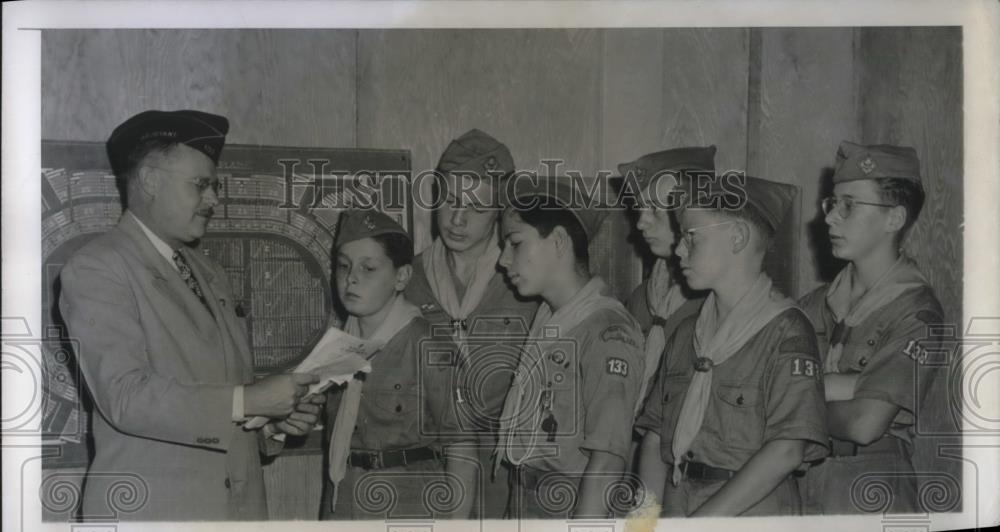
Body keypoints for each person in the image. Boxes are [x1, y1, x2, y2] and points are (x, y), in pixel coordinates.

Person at [59, 110, 324, 521]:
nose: (214, 200)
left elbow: (217, 394)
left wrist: (269, 421)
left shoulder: (207, 271)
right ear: (149, 180)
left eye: (213, 187)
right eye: (201, 185)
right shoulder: (97, 267)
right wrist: (248, 399)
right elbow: (127, 397)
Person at [634, 174, 829, 517]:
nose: (679, 249)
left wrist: (700, 524)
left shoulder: (786, 332)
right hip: (678, 503)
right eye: (681, 237)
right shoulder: (687, 335)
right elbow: (653, 436)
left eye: (691, 237)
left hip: (751, 511)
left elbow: (786, 450)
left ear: (737, 237)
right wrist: (646, 520)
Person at [797, 142, 944, 514]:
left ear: (893, 219)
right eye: (832, 204)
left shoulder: (916, 312)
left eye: (849, 205)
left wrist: (803, 392)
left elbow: (865, 424)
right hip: (800, 488)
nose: (829, 217)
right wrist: (840, 386)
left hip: (870, 492)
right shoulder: (813, 305)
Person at [495, 175, 645, 519]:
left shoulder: (606, 330)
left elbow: (607, 460)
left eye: (515, 243)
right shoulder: (550, 319)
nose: (503, 260)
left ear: (559, 241)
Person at [405, 128, 538, 518]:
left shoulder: (523, 284)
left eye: (476, 209)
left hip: (504, 477)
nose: (458, 219)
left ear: (499, 212)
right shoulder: (405, 279)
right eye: (448, 201)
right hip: (424, 470)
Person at [320, 209, 478, 519]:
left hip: (408, 504)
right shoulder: (337, 347)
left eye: (369, 268)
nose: (351, 278)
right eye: (343, 266)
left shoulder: (429, 345)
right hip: (343, 501)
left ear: (402, 277)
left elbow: (462, 451)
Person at [620, 146, 715, 415]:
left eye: (653, 208)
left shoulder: (718, 300)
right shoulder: (641, 299)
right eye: (639, 209)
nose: (641, 223)